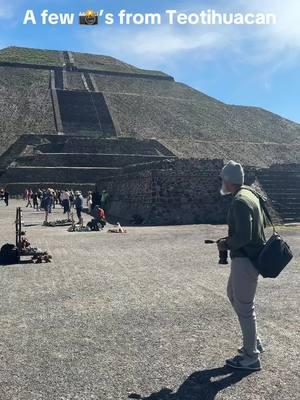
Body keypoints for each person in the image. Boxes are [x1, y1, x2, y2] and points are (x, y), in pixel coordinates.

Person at [217, 160, 266, 372]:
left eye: (223, 179)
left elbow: (245, 236)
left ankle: (250, 357)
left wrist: (225, 244)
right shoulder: (251, 195)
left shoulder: (239, 201)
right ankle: (252, 341)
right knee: (233, 295)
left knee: (244, 307)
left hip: (244, 259)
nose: (222, 182)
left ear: (228, 180)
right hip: (249, 258)